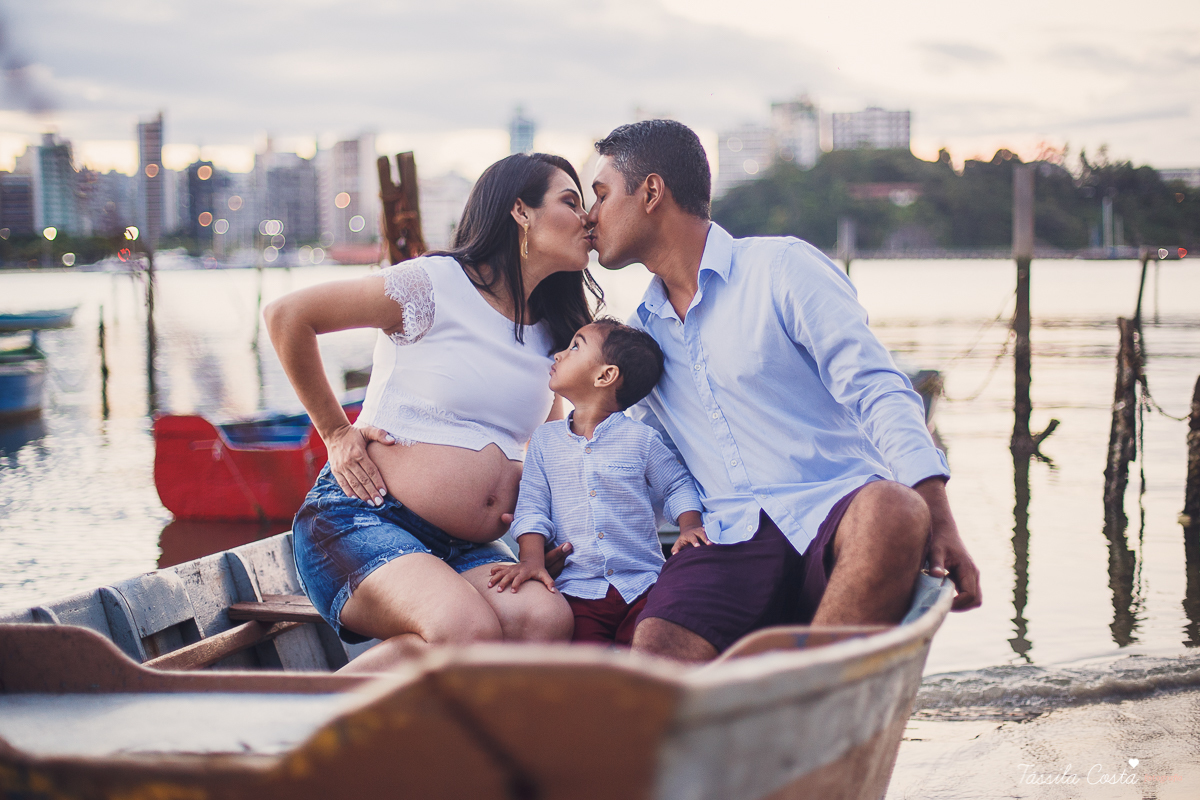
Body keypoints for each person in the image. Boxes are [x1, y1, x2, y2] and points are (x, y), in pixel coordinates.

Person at [584, 120, 983, 662]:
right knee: (657, 647)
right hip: (725, 539)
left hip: (837, 513)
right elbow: (638, 458)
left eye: (601, 195)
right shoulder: (641, 337)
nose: (591, 215)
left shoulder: (781, 269)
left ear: (651, 193)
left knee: (895, 508)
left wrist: (937, 513)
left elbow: (876, 386)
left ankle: (807, 699)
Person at [264, 153, 598, 672]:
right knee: (467, 629)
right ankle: (305, 726)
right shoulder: (433, 284)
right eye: (571, 201)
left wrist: (540, 539)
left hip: (466, 545)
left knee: (545, 621)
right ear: (520, 212)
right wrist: (335, 432)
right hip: (363, 518)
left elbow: (548, 453)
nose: (588, 218)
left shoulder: (553, 334)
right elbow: (288, 316)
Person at [487, 318, 707, 646]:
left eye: (575, 346)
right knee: (588, 673)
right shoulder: (545, 441)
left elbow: (676, 485)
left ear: (605, 375)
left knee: (651, 654)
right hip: (578, 592)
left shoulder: (640, 439)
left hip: (645, 586)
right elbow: (532, 506)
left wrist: (689, 526)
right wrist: (532, 562)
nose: (559, 355)